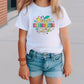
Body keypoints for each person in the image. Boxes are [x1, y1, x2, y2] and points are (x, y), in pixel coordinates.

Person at [15, 0, 72, 84]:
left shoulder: (59, 10)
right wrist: (22, 64)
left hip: (54, 60)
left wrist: (68, 62)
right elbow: (21, 39)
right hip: (34, 60)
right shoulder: (27, 11)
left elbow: (65, 38)